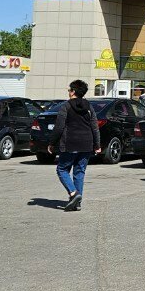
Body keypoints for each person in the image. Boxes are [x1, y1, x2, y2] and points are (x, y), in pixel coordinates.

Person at [48, 79, 101, 212]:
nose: (68, 92)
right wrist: (97, 144)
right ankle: (77, 203)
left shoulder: (66, 106)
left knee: (62, 169)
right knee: (79, 172)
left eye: (69, 90)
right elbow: (95, 127)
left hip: (70, 143)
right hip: (86, 144)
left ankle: (73, 193)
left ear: (73, 92)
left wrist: (52, 143)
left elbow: (59, 127)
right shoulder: (89, 107)